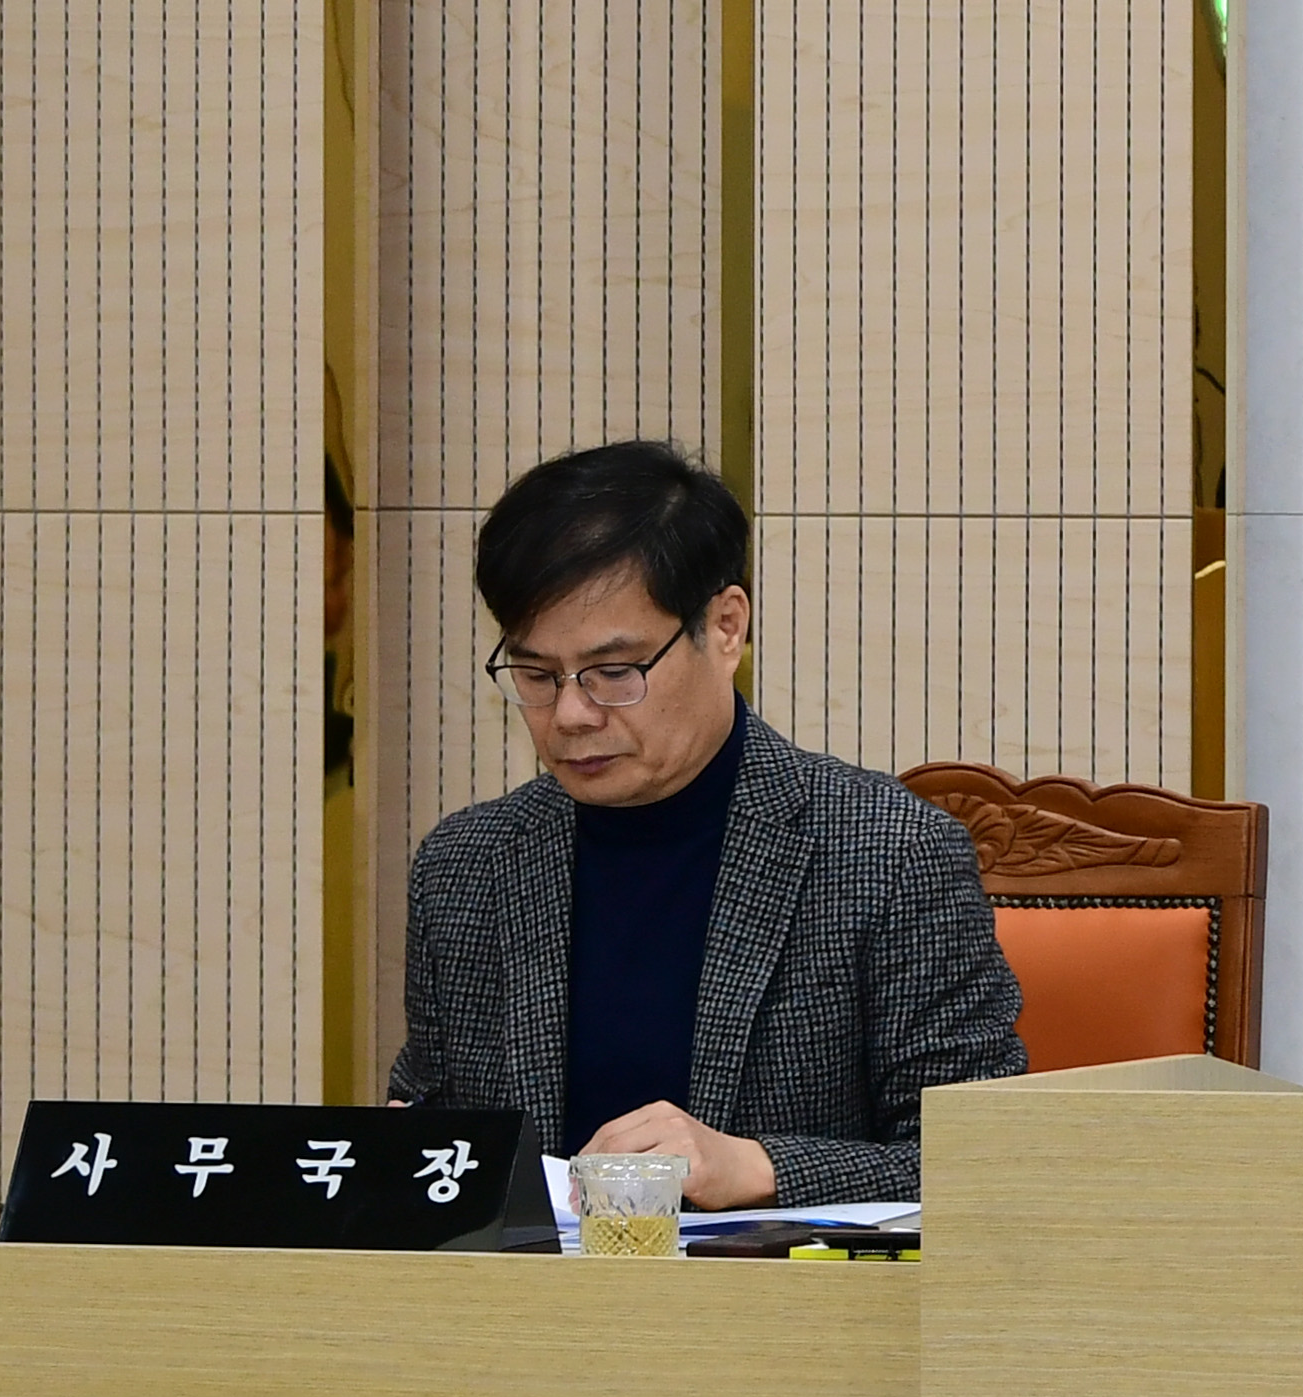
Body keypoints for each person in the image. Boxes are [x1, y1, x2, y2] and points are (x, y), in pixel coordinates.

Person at [389, 440, 1023, 1203]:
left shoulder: (891, 855)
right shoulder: (465, 867)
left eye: (613, 673)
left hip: (772, 1281)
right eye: (536, 675)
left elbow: (982, 1164)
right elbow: (432, 1130)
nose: (570, 714)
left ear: (725, 628)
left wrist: (759, 1168)